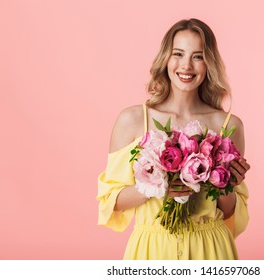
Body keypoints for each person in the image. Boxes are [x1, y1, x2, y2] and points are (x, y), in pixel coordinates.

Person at [97, 18, 250, 260]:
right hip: (152, 250)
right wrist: (157, 185)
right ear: (166, 58)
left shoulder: (229, 126)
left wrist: (225, 184)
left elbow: (230, 211)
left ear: (209, 63)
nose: (186, 65)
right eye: (178, 53)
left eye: (198, 56)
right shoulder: (133, 120)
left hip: (210, 250)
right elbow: (111, 201)